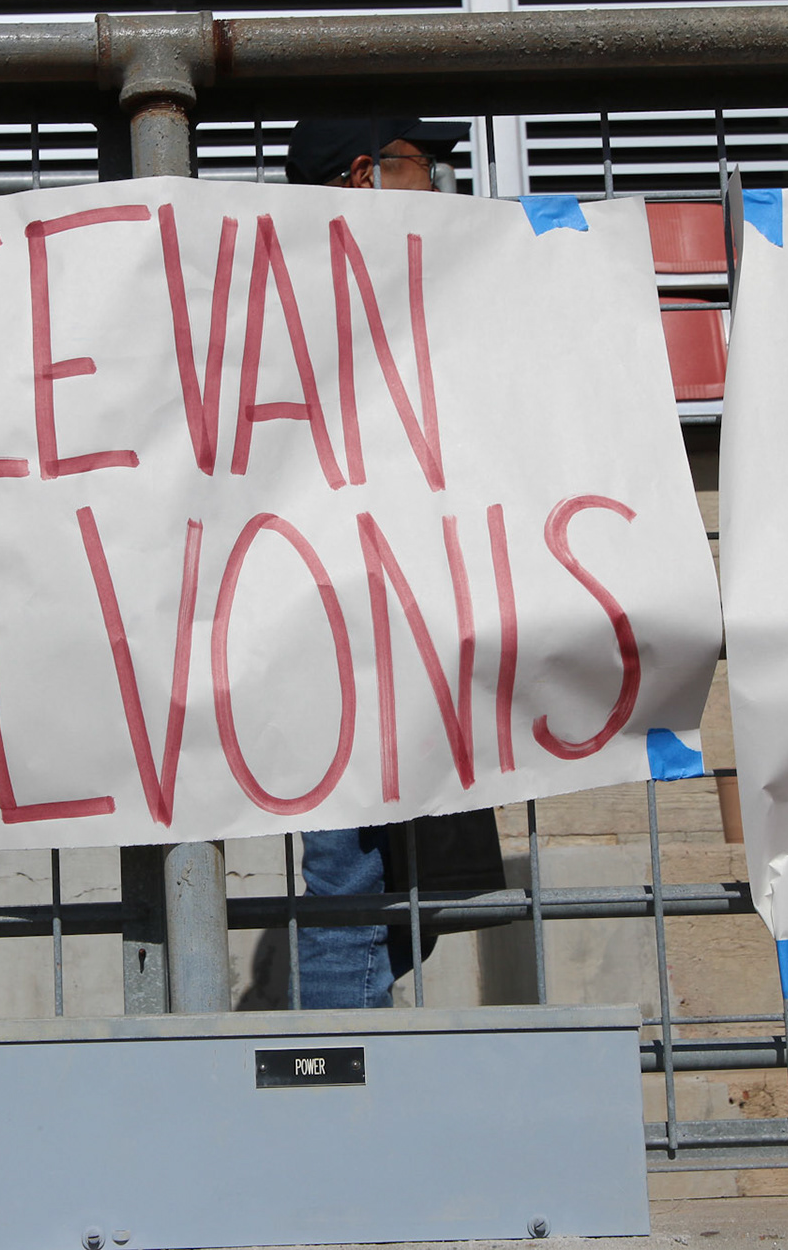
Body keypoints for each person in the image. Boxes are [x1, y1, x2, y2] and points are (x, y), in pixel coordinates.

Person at [284, 117, 507, 1009]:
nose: (440, 183)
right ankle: (344, 1068)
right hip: (340, 616)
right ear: (364, 174)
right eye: (426, 164)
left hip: (400, 606)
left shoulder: (385, 286)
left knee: (403, 875)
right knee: (352, 868)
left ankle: (356, 1044)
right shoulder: (308, 289)